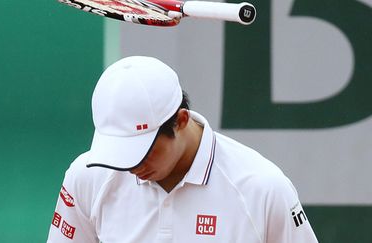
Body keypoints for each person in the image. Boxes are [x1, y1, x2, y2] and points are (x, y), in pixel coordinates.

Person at [47, 56, 318, 243]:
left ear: (181, 121)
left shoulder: (263, 189)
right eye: (119, 149)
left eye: (140, 150)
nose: (131, 167)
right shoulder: (86, 177)